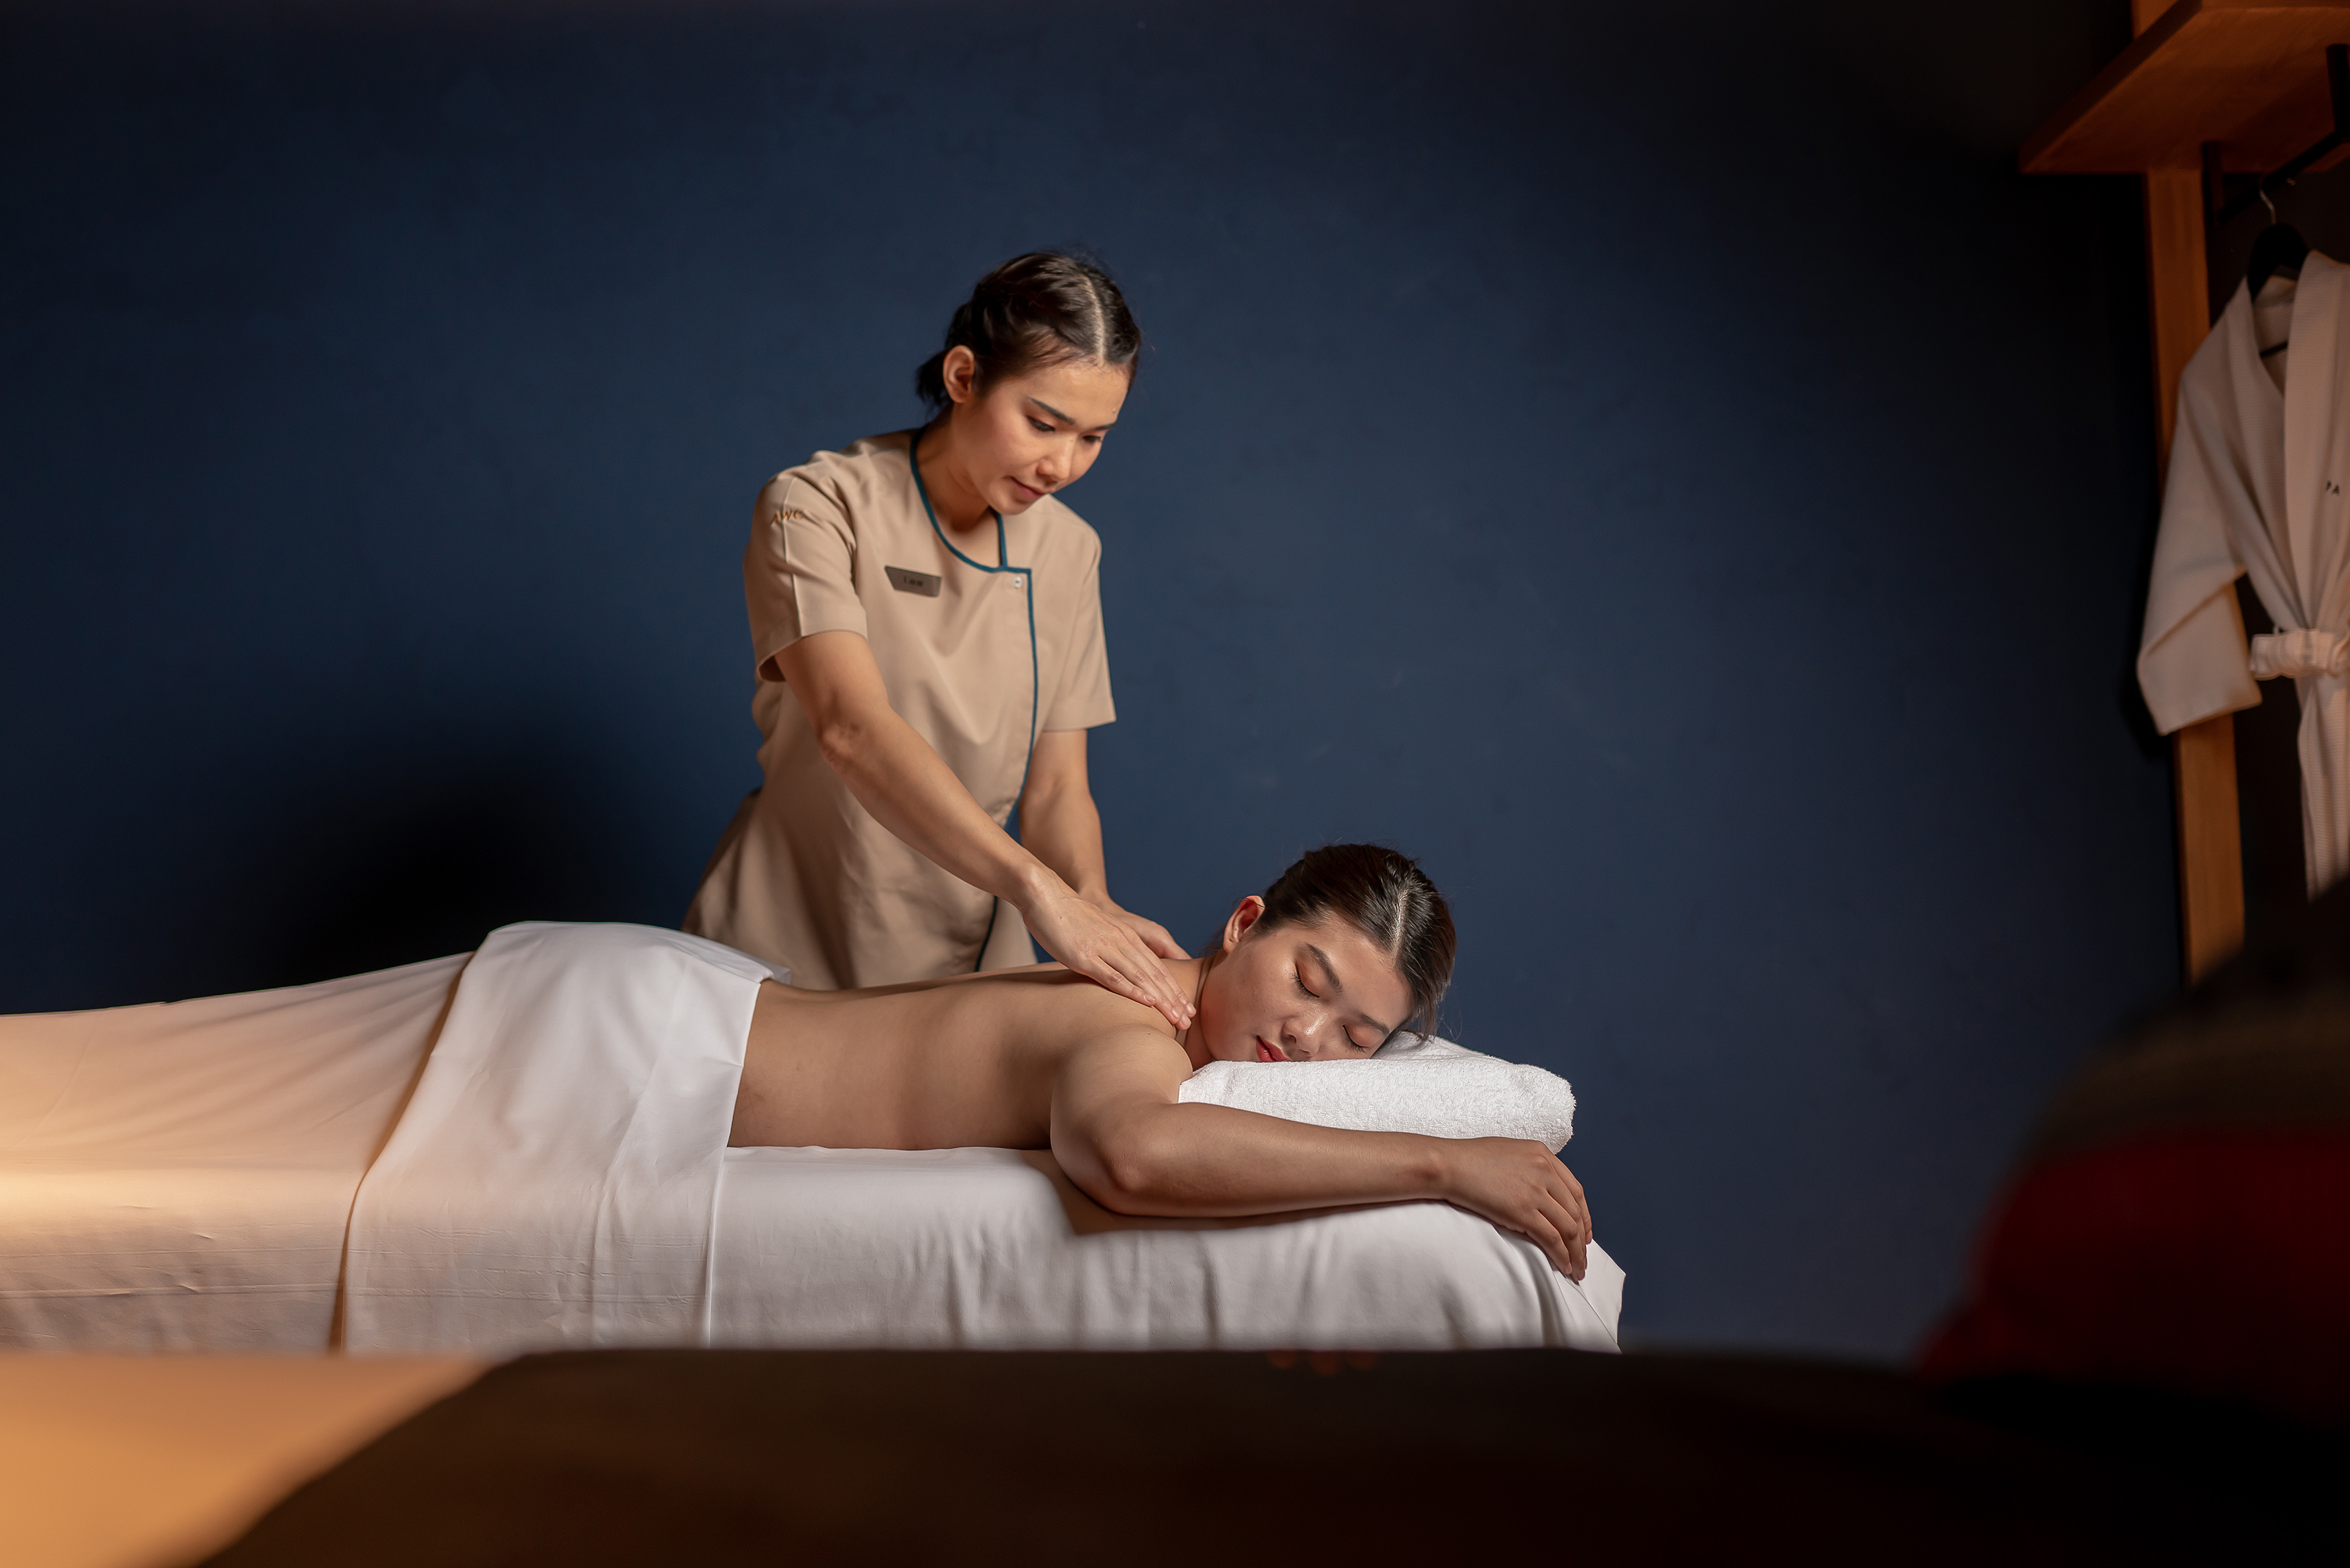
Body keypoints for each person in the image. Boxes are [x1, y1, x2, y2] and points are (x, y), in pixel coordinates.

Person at [686, 253, 1193, 1031]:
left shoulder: (1070, 550)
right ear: (963, 377)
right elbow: (851, 731)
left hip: (969, 967)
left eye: (1094, 438)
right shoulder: (816, 507)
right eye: (1043, 423)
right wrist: (1038, 890)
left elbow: (1056, 787)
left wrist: (1088, 899)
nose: (1062, 465)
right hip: (787, 942)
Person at [730, 844, 1596, 1279]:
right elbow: (1132, 1154)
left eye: (1355, 1039)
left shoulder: (1163, 1023)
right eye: (1305, 980)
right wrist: (1444, 1166)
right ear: (1242, 924)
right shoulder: (1131, 1023)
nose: (1306, 1037)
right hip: (670, 1054)